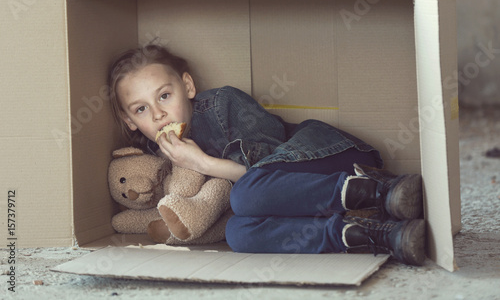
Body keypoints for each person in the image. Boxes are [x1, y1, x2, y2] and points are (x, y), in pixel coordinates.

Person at [108, 43, 426, 266]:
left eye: (165, 95)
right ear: (129, 121)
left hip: (331, 158)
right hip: (307, 205)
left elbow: (269, 172)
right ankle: (366, 233)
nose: (159, 114)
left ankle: (382, 190)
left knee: (244, 196)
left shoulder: (222, 107)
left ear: (187, 86)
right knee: (238, 233)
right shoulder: (155, 157)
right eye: (141, 109)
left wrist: (202, 164)